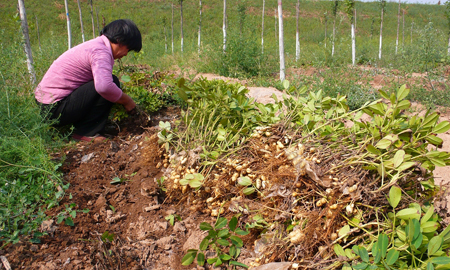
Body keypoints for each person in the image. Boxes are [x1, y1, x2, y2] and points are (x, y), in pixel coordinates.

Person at [35, 19, 141, 142]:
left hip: (46, 105)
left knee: (107, 83)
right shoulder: (100, 52)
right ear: (120, 41)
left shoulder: (95, 45)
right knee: (111, 83)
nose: (126, 54)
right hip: (54, 109)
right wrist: (127, 100)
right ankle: (87, 132)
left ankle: (84, 127)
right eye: (128, 49)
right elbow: (104, 87)